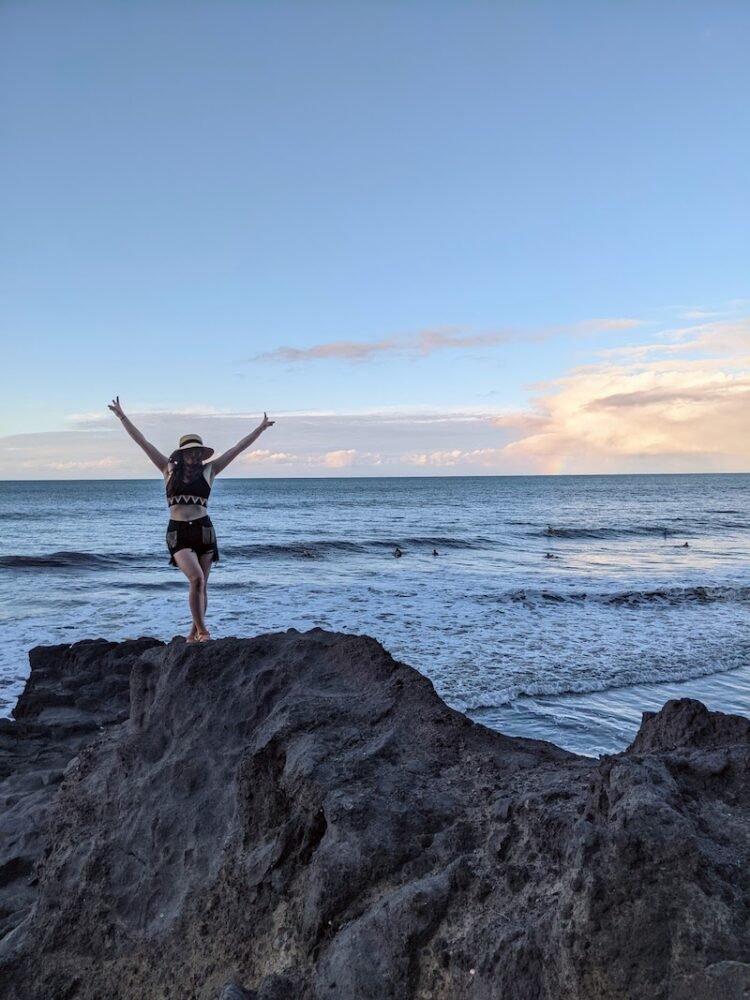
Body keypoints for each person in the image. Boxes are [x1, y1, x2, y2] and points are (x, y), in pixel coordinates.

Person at [108, 396, 274, 642]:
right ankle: (203, 631)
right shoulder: (168, 469)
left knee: (202, 585)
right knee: (195, 578)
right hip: (178, 532)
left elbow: (237, 449)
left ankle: (193, 632)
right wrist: (122, 416)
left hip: (204, 530)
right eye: (191, 453)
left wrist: (259, 429)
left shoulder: (211, 470)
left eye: (198, 453)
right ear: (182, 455)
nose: (195, 457)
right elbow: (142, 442)